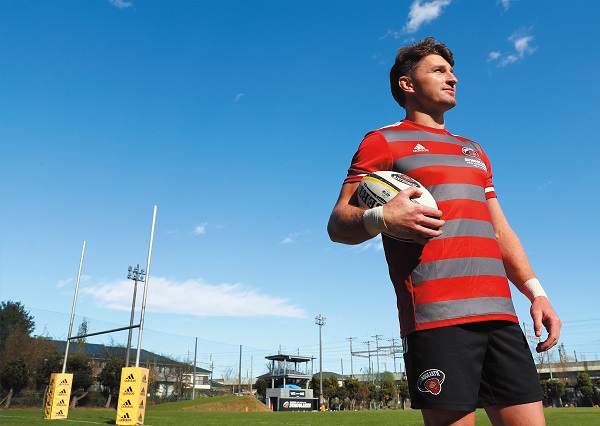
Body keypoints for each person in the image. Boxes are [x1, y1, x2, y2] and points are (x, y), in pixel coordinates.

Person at [327, 37, 561, 426]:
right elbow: (338, 223)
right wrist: (382, 217)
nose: (452, 78)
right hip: (438, 319)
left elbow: (500, 229)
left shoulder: (474, 150)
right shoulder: (382, 141)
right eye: (438, 70)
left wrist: (537, 293)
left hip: (501, 316)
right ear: (406, 84)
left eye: (452, 71)